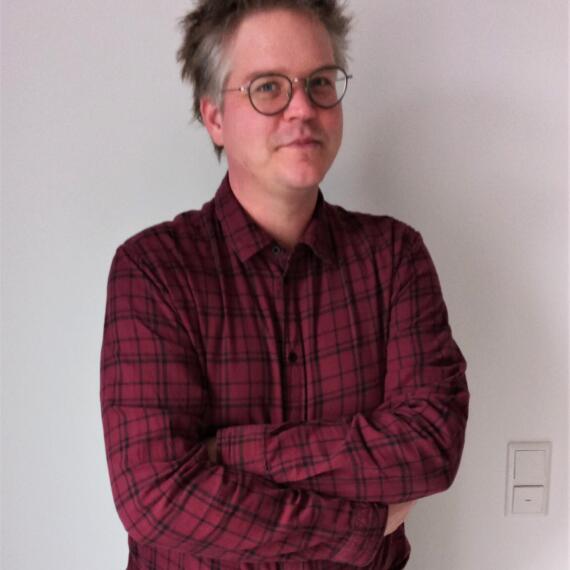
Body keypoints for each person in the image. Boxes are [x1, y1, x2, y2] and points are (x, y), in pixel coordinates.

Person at [100, 1, 469, 569]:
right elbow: (157, 498)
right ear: (215, 117)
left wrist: (233, 451)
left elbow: (432, 446)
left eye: (320, 82)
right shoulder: (153, 271)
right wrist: (361, 525)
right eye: (268, 87)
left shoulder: (394, 257)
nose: (303, 108)